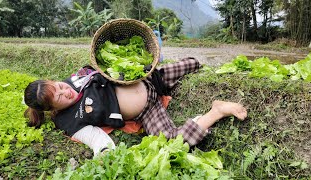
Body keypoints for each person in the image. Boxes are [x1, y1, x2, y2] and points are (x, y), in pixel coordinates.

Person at [24, 57, 247, 156]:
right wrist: (103, 154)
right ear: (52, 108)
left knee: (193, 63)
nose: (66, 91)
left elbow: (103, 67)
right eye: (60, 97)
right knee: (173, 143)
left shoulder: (76, 78)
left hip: (150, 79)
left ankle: (193, 75)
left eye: (60, 86)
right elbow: (96, 139)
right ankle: (216, 111)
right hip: (147, 109)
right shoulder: (68, 121)